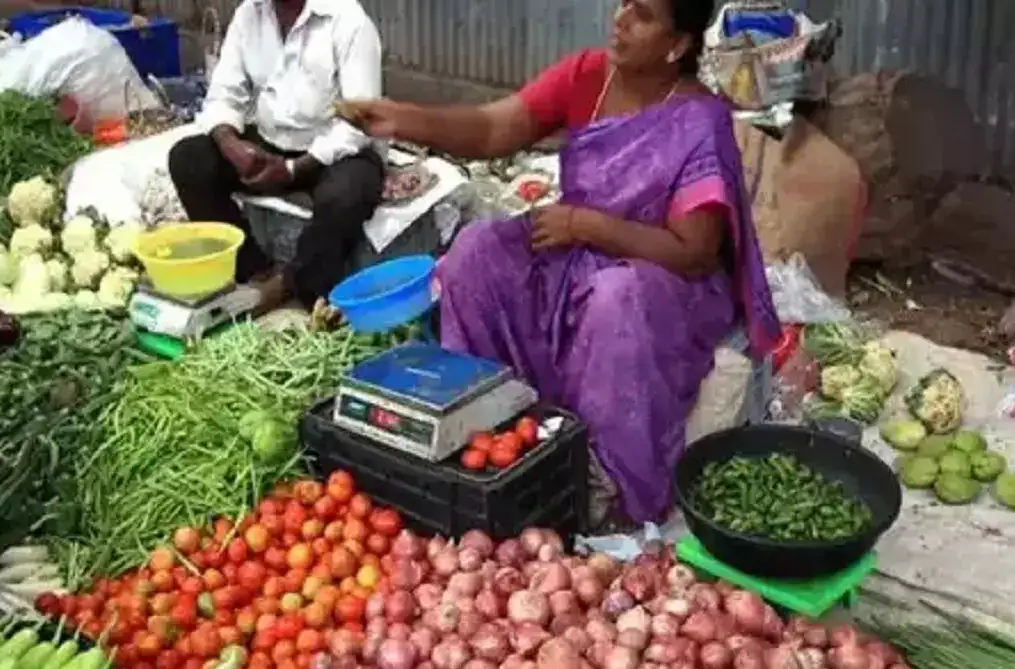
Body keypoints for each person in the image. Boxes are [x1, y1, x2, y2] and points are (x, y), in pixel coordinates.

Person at [339, 0, 780, 526]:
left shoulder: (699, 119)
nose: (620, 19)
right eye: (622, 4)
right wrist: (403, 118)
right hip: (576, 256)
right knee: (475, 254)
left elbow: (693, 252)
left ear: (677, 45)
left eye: (641, 15)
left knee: (617, 299)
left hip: (661, 277)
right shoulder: (588, 75)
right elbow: (491, 130)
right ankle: (496, 421)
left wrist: (586, 226)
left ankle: (605, 483)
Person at [168, 0, 384, 309]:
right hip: (272, 140)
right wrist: (231, 143)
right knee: (188, 159)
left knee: (348, 193)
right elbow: (223, 96)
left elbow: (360, 121)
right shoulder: (250, 14)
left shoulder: (348, 20)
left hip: (335, 150)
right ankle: (253, 270)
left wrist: (294, 169)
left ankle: (292, 284)